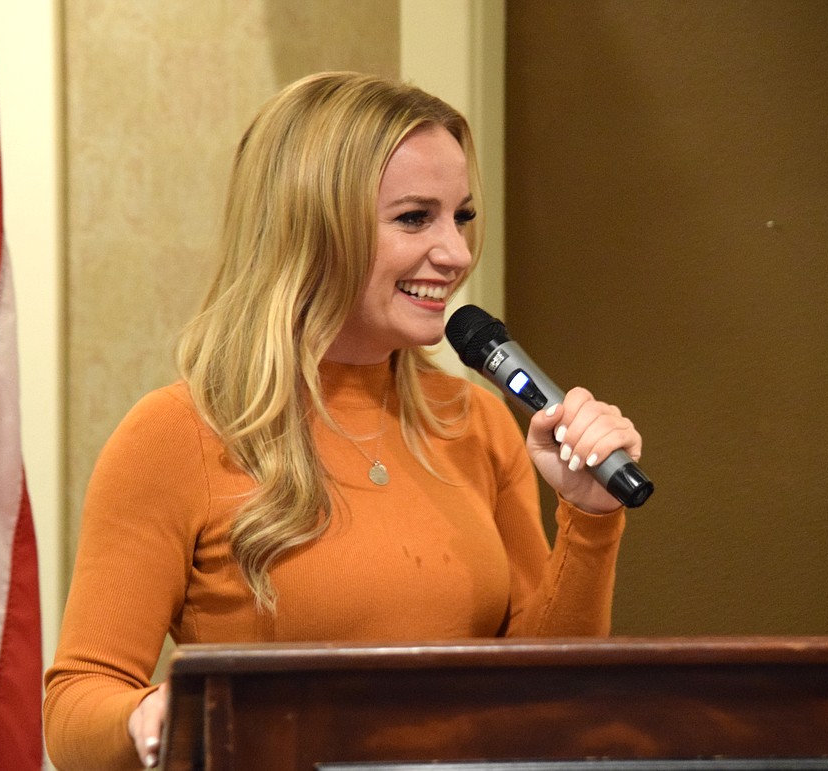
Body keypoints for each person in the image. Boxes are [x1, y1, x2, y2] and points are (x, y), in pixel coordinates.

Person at [43, 71, 642, 770]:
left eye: (462, 216)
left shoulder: (476, 418)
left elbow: (550, 700)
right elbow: (75, 706)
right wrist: (149, 716)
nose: (454, 253)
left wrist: (589, 518)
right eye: (416, 218)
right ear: (314, 227)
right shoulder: (176, 433)